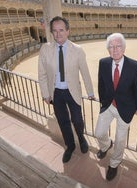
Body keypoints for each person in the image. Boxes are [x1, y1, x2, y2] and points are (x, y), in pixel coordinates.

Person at [38, 16, 95, 163]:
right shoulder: (45, 49)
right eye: (55, 31)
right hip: (56, 93)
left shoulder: (77, 50)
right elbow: (42, 74)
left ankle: (81, 139)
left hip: (72, 91)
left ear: (68, 31)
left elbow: (85, 72)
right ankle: (70, 146)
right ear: (52, 32)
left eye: (61, 30)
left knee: (77, 120)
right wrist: (45, 94)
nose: (58, 34)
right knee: (63, 121)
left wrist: (90, 92)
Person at [95, 33, 137, 181]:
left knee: (120, 139)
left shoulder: (134, 66)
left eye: (118, 46)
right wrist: (104, 102)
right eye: (111, 46)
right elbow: (101, 84)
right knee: (98, 133)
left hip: (126, 108)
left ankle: (114, 163)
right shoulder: (103, 63)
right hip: (109, 105)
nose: (115, 49)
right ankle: (105, 146)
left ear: (123, 48)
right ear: (108, 49)